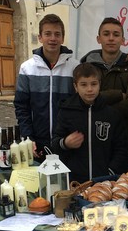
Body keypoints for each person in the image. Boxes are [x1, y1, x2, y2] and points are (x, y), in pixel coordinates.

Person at [52, 63, 128, 231]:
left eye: (93, 84)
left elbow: (121, 147)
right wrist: (66, 143)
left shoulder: (111, 113)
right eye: (84, 85)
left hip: (104, 183)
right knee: (83, 230)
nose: (89, 89)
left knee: (105, 229)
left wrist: (110, 172)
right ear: (75, 86)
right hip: (78, 183)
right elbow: (54, 142)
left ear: (100, 85)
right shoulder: (66, 111)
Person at [14, 14, 79, 163]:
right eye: (48, 33)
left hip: (66, 143)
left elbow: (79, 106)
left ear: (63, 38)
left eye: (57, 34)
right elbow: (21, 107)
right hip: (37, 143)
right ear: (40, 37)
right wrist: (28, 138)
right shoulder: (27, 68)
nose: (53, 38)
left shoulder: (75, 67)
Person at [80, 17, 128, 168]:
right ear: (98, 38)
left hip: (125, 140)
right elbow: (82, 99)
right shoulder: (86, 67)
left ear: (123, 39)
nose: (111, 38)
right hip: (93, 139)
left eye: (116, 34)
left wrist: (98, 107)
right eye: (106, 34)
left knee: (124, 187)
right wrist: (117, 94)